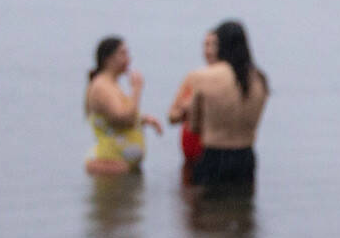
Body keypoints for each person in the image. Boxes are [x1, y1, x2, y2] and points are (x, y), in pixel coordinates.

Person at [168, 19, 268, 195]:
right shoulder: (260, 79)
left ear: (220, 45)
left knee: (209, 216)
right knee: (243, 213)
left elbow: (194, 127)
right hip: (246, 156)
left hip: (214, 155)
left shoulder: (203, 77)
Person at [83, 36, 161, 177]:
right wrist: (137, 90)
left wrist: (144, 119)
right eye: (123, 54)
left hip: (120, 165)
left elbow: (113, 117)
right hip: (109, 162)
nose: (128, 59)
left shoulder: (112, 84)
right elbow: (123, 119)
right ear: (108, 58)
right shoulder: (101, 86)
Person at [168, 29, 218, 186]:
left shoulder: (226, 80)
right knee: (189, 200)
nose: (208, 50)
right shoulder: (193, 77)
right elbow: (172, 116)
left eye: (213, 45)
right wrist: (186, 109)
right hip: (190, 149)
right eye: (205, 45)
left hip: (214, 148)